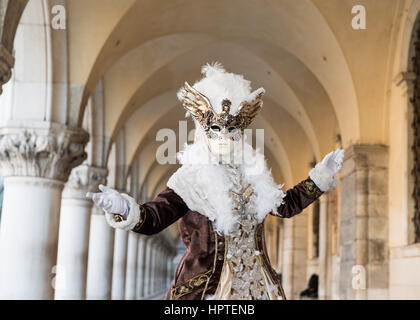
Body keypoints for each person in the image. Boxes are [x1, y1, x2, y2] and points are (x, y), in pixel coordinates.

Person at [87, 62, 344, 300]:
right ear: (203, 130)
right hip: (207, 291)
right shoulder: (190, 178)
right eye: (216, 129)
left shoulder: (254, 175)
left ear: (240, 131)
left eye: (231, 129)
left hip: (256, 288)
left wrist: (320, 176)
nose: (223, 137)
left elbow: (285, 206)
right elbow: (155, 217)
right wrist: (123, 208)